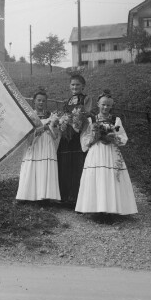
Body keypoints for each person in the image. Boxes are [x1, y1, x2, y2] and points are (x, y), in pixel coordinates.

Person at [75, 89, 138, 215]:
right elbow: (84, 137)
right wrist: (94, 137)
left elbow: (123, 137)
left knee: (111, 178)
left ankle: (111, 208)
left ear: (111, 106)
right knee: (96, 176)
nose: (105, 107)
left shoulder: (116, 120)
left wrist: (113, 137)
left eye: (108, 105)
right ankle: (94, 208)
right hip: (96, 151)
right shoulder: (91, 120)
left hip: (110, 152)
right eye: (103, 104)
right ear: (98, 104)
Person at [16, 88, 61, 202]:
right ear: (34, 101)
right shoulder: (30, 116)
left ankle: (45, 196)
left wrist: (52, 126)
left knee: (45, 166)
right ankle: (28, 195)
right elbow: (26, 133)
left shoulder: (51, 116)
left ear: (46, 102)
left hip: (47, 143)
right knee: (32, 165)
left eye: (43, 101)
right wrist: (41, 128)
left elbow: (55, 134)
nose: (41, 103)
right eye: (39, 100)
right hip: (35, 144)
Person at [56, 74, 93, 204]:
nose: (75, 87)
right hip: (67, 135)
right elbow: (64, 114)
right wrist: (63, 120)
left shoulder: (86, 98)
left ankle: (77, 198)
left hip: (78, 134)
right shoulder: (68, 101)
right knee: (65, 163)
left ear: (83, 86)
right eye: (72, 84)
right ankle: (65, 196)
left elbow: (86, 114)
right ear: (69, 86)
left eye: (77, 84)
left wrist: (75, 119)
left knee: (78, 164)